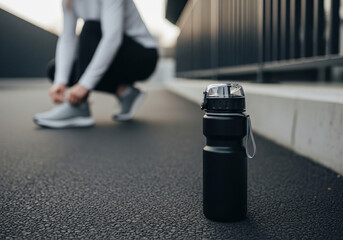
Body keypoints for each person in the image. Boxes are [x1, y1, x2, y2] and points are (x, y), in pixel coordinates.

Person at [34, 0, 158, 128]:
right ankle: (125, 92)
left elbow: (112, 38)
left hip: (143, 57)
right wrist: (60, 81)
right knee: (55, 70)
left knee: (91, 26)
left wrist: (84, 85)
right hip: (113, 56)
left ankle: (79, 106)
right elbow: (67, 38)